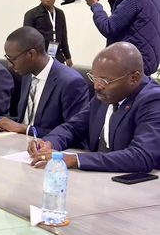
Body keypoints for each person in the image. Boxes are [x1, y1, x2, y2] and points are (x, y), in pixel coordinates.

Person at [28, 42, 160, 172]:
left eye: (105, 80)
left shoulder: (153, 100)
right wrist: (49, 142)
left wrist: (75, 160)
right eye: (94, 78)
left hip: (137, 182)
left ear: (134, 78)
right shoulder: (105, 94)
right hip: (97, 179)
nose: (97, 86)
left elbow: (142, 156)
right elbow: (73, 127)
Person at [0, 27, 89, 135]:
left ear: (31, 54)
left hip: (48, 150)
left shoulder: (70, 82)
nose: (9, 65)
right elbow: (24, 121)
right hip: (20, 143)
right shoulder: (28, 74)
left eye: (12, 59)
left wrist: (26, 129)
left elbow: (75, 133)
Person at [87, 0, 160, 75]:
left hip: (129, 65)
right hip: (145, 63)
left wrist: (95, 6)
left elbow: (109, 28)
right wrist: (112, 0)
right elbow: (125, 20)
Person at [23, 0, 73, 66]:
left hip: (57, 56)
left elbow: (64, 37)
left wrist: (68, 57)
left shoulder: (60, 13)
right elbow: (26, 39)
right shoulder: (31, 14)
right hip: (39, 56)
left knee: (59, 74)